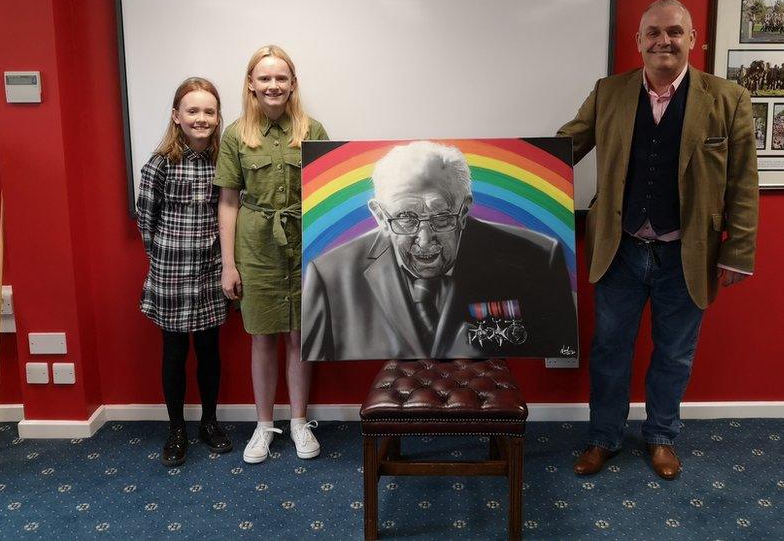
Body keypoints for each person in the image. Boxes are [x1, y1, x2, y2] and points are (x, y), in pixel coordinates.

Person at [557, 0, 758, 480]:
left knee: (674, 352)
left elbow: (743, 181)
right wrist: (502, 164)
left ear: (693, 40)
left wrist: (738, 251)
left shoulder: (728, 98)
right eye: (653, 33)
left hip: (687, 253)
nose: (662, 41)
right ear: (639, 40)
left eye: (673, 32)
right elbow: (566, 146)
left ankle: (661, 436)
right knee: (610, 349)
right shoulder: (610, 91)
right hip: (619, 249)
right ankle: (604, 437)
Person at [302, 141, 577, 361]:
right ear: (379, 215)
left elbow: (560, 348)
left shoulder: (536, 259)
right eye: (405, 218)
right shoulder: (329, 276)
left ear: (465, 208)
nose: (425, 240)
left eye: (441, 217)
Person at [214, 45, 329, 463]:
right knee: (262, 337)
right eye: (264, 78)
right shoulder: (235, 134)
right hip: (256, 245)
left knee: (300, 336)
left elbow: (326, 196)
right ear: (251, 84)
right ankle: (264, 425)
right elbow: (227, 202)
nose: (273, 85)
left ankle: (299, 422)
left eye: (281, 78)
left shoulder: (312, 130)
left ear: (293, 83)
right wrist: (229, 264)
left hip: (304, 242)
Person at [137, 77, 232, 467]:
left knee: (209, 351)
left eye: (209, 111)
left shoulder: (223, 160)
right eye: (192, 111)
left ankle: (208, 422)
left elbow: (231, 211)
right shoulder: (160, 164)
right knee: (174, 353)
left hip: (211, 272)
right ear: (177, 116)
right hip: (171, 272)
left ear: (217, 116)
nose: (201, 118)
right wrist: (165, 257)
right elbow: (146, 221)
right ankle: (176, 428)